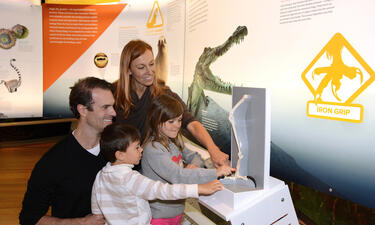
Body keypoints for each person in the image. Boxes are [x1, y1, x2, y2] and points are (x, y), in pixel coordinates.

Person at [113, 39, 229, 168]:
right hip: (120, 167)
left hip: (148, 166)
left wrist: (213, 150)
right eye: (141, 67)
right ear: (128, 70)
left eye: (152, 64)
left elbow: (191, 123)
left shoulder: (162, 93)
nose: (149, 71)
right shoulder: (113, 94)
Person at [19, 77, 116, 225]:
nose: (114, 113)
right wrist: (82, 222)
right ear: (83, 110)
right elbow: (30, 218)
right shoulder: (53, 162)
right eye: (105, 107)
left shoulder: (117, 149)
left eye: (113, 106)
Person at [91, 123, 223, 225]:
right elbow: (164, 191)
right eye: (137, 147)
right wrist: (199, 189)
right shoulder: (131, 179)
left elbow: (97, 210)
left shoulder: (100, 176)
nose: (141, 149)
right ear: (120, 155)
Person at [141, 94, 236, 224]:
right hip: (159, 216)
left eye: (179, 120)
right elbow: (178, 176)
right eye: (171, 121)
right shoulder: (153, 150)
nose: (177, 126)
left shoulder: (174, 141)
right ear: (156, 120)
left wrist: (192, 167)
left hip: (177, 211)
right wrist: (216, 172)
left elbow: (195, 157)